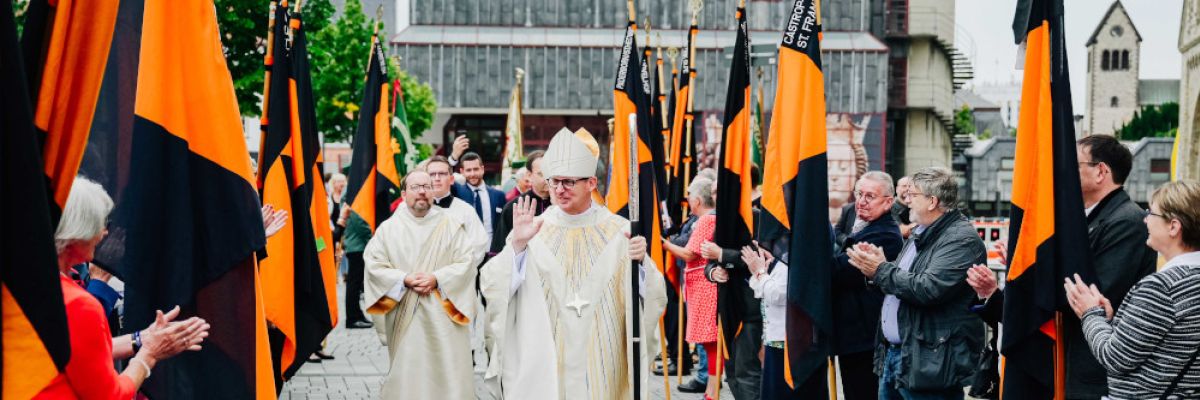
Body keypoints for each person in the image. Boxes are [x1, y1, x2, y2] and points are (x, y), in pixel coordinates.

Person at [479, 127, 668, 399]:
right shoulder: (531, 229)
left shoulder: (621, 231)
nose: (558, 190)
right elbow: (493, 287)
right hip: (546, 355)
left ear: (591, 183)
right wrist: (518, 248)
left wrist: (639, 262)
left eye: (568, 182)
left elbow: (652, 294)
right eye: (554, 181)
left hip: (605, 354)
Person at [966, 134, 1157, 399]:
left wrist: (1035, 272)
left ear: (1101, 171)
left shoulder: (1126, 222)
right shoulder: (1083, 219)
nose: (1062, 172)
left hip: (1093, 368)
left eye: (1073, 165)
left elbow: (1094, 295)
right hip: (1067, 360)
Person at [39, 177, 210, 398]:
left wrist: (143, 339)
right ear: (77, 233)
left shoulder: (30, 285)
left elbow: (81, 351)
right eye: (99, 225)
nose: (104, 233)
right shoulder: (78, 304)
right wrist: (148, 355)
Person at [847, 166, 985, 400]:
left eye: (913, 194)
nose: (907, 200)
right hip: (900, 356)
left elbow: (927, 289)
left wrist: (880, 269)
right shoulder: (922, 231)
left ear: (932, 201)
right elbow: (900, 280)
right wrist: (873, 268)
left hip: (930, 363)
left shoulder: (960, 239)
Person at [1064, 180, 1200, 399]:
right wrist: (1108, 320)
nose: (1145, 219)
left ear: (1173, 226)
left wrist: (1089, 314)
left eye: (1152, 214)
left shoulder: (1161, 288)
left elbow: (1114, 358)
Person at [362, 171, 481, 399]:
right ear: (404, 194)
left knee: (448, 372)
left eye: (427, 186)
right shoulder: (389, 229)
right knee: (409, 374)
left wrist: (437, 278)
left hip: (444, 317)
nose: (423, 192)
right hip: (405, 314)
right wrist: (403, 279)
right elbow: (374, 265)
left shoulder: (451, 225)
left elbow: (467, 262)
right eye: (416, 187)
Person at [831, 172, 905, 400]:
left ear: (888, 202)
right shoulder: (860, 225)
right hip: (852, 334)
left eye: (870, 196)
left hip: (865, 338)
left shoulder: (885, 234)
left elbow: (838, 271)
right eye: (859, 194)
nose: (861, 201)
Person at [662, 177, 719, 398]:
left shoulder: (706, 220)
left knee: (709, 341)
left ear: (696, 200)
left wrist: (664, 244)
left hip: (704, 286)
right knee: (709, 342)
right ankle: (711, 390)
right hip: (706, 284)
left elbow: (689, 253)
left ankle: (711, 392)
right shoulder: (710, 218)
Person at [742, 243, 796, 399]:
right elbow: (759, 290)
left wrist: (760, 273)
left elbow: (777, 295)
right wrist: (758, 272)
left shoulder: (786, 262)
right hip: (772, 337)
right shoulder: (776, 262)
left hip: (785, 339)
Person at [492, 150, 550, 255]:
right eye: (541, 174)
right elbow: (499, 249)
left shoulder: (562, 204)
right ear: (529, 175)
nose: (547, 178)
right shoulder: (514, 207)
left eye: (550, 172)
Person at [453, 152, 506, 243]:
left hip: (492, 252)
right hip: (467, 252)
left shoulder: (499, 195)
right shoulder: (457, 193)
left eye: (476, 169)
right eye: (468, 170)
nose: (473, 174)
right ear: (462, 172)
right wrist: (453, 158)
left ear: (482, 169)